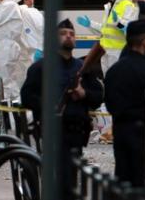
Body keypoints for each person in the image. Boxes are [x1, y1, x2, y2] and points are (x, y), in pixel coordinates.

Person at [21, 19, 103, 199]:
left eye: (72, 34)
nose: (68, 37)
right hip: (52, 133)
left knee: (71, 183)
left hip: (77, 133)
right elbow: (27, 96)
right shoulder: (41, 68)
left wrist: (83, 94)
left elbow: (98, 96)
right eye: (64, 34)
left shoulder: (82, 68)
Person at [104, 20, 145, 187]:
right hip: (144, 134)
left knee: (123, 180)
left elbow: (109, 103)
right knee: (141, 182)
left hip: (121, 131)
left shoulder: (114, 70)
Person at [77, 0, 140, 75]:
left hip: (118, 52)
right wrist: (90, 24)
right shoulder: (109, 6)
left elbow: (128, 29)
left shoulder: (127, 5)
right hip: (106, 52)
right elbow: (105, 30)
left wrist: (117, 22)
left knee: (118, 83)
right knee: (108, 83)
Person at [18, 0, 44, 64]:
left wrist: (40, 48)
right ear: (22, 1)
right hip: (27, 52)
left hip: (34, 51)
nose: (31, 1)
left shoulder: (34, 12)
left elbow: (42, 29)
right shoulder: (23, 11)